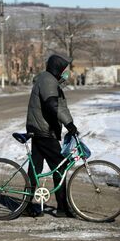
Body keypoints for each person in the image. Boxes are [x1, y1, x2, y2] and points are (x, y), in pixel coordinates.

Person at [24, 54, 79, 218]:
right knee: (60, 166)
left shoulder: (51, 81)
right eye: (64, 70)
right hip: (44, 131)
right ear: (57, 69)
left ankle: (25, 206)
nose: (65, 73)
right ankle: (62, 208)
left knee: (35, 168)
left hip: (40, 129)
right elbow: (52, 105)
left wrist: (70, 123)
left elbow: (61, 105)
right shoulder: (48, 81)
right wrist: (69, 124)